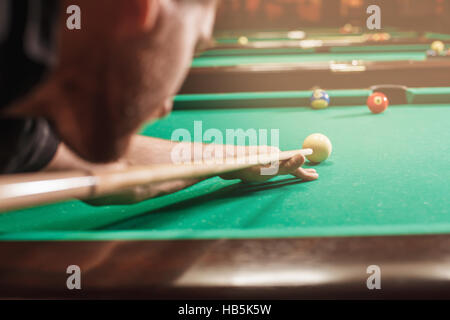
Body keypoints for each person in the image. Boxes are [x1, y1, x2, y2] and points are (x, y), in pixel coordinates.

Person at [0, 0, 318, 204]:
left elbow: (111, 170)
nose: (165, 106)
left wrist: (235, 157)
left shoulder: (19, 119)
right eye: (194, 46)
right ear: (141, 8)